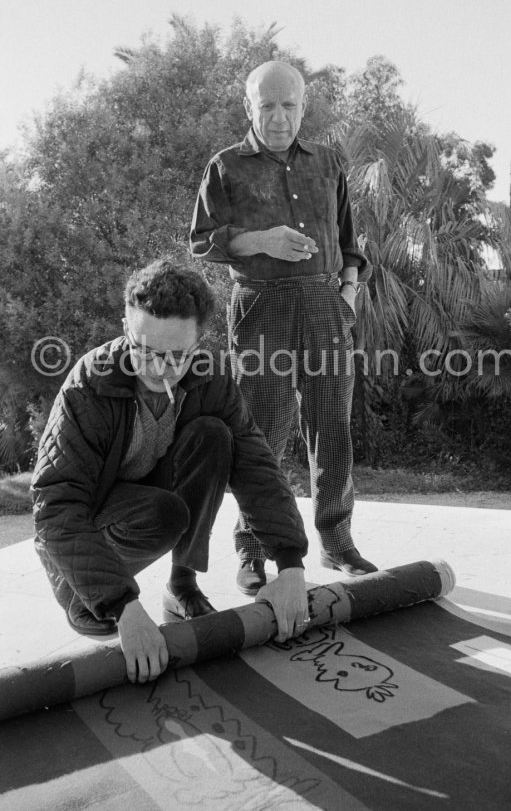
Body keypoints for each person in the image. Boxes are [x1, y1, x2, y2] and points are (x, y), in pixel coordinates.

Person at [32, 260, 309, 685]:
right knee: (162, 515)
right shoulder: (89, 386)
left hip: (154, 495)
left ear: (199, 342)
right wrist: (124, 606)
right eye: (145, 350)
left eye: (178, 355)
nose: (159, 368)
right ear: (125, 326)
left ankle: (182, 586)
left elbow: (256, 465)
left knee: (216, 435)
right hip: (92, 520)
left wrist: (291, 566)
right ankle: (85, 595)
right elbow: (56, 506)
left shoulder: (211, 377)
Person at [190, 60, 377, 597]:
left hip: (325, 303)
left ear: (303, 106)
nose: (278, 117)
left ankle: (336, 541)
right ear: (248, 107)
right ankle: (252, 547)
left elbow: (349, 242)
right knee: (261, 431)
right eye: (266, 106)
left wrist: (347, 294)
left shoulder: (328, 163)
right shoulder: (225, 166)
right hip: (260, 304)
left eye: (288, 105)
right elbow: (201, 241)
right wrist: (261, 240)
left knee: (332, 425)